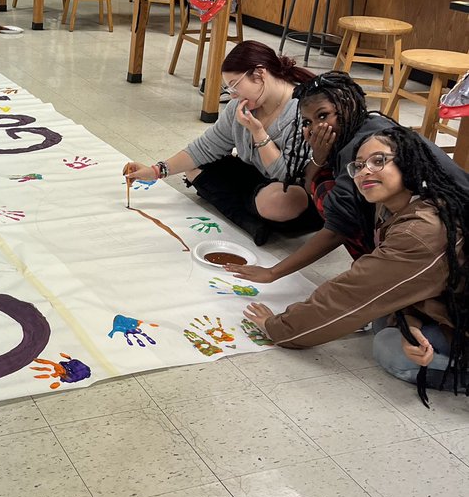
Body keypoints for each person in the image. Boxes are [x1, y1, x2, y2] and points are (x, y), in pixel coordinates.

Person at [243, 126, 469, 405]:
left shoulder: (420, 232)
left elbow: (348, 295)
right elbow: (413, 280)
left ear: (409, 162)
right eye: (359, 165)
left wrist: (277, 327)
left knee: (389, 350)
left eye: (378, 161)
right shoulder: (402, 204)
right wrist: (412, 321)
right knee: (382, 321)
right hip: (447, 305)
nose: (364, 172)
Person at [230, 71, 469, 285]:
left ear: (347, 106)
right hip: (432, 228)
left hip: (446, 238)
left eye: (323, 116)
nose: (315, 128)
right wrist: (319, 156)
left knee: (329, 192)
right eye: (307, 122)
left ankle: (380, 269)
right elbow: (308, 184)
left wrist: (273, 273)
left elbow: (337, 229)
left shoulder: (360, 149)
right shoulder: (367, 122)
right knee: (323, 183)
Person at [123, 42, 322, 244]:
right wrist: (156, 171)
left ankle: (246, 214)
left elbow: (285, 175)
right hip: (257, 179)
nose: (233, 95)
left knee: (277, 201)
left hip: (293, 191)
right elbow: (204, 147)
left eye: (235, 85)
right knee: (194, 167)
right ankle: (249, 219)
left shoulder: (302, 110)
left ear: (260, 74)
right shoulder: (240, 106)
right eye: (229, 88)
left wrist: (258, 132)